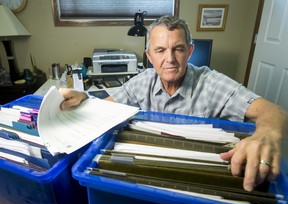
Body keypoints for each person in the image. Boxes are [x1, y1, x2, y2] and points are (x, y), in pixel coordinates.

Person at [59, 15, 288, 192]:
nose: (169, 59)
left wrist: (265, 135)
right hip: (149, 177)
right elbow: (105, 108)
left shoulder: (210, 83)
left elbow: (274, 112)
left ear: (189, 51)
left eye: (178, 49)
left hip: (196, 181)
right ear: (149, 56)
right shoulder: (143, 81)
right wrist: (85, 99)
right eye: (160, 50)